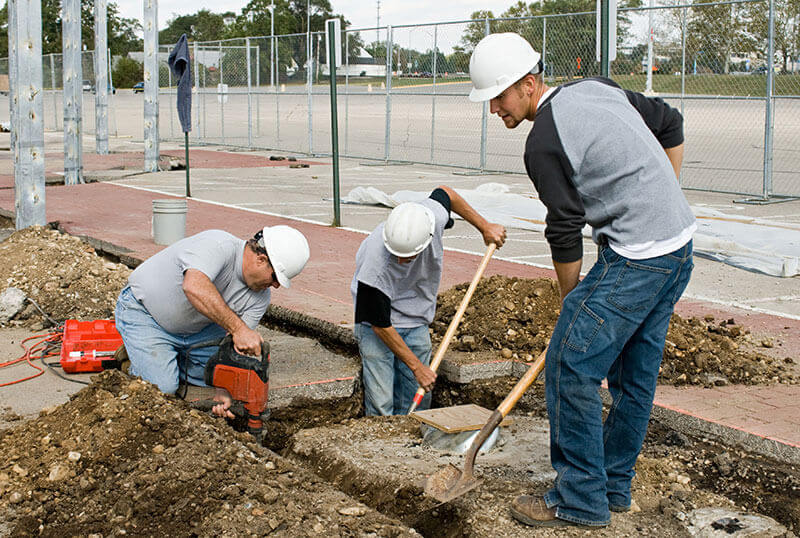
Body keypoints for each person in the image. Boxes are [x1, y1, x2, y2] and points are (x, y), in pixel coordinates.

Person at [469, 33, 695, 528]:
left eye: (499, 97)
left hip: (638, 257)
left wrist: (572, 304)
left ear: (529, 84)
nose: (494, 110)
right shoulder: (597, 87)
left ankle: (579, 498)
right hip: (678, 245)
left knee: (571, 364)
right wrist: (661, 198)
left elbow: (565, 230)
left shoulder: (543, 142)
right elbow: (670, 123)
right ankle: (612, 487)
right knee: (634, 379)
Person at [115, 226, 310, 418]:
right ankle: (135, 358)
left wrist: (222, 388)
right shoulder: (218, 245)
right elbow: (193, 287)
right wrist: (238, 328)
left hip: (196, 331)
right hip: (145, 313)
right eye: (275, 277)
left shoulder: (260, 297)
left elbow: (232, 349)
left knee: (234, 377)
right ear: (261, 259)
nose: (275, 285)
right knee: (163, 388)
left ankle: (166, 357)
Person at [351, 186, 506, 416]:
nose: (402, 261)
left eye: (408, 256)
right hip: (376, 329)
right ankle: (386, 448)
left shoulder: (430, 218)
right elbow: (380, 325)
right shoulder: (374, 270)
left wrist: (484, 226)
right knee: (382, 405)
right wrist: (417, 367)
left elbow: (446, 193)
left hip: (415, 320)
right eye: (397, 255)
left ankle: (415, 445)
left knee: (418, 403)